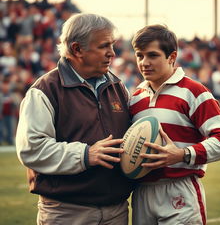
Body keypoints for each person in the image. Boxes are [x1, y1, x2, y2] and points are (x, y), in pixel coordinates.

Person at [16, 13, 135, 225]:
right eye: (104, 46)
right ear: (77, 49)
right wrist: (86, 154)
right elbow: (31, 149)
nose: (112, 53)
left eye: (112, 45)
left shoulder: (118, 86)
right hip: (66, 212)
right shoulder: (45, 90)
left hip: (117, 210)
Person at [129, 24, 220, 225]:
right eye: (139, 55)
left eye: (153, 55)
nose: (144, 62)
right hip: (141, 192)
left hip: (179, 189)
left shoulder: (193, 91)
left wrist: (182, 154)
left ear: (172, 57)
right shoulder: (135, 98)